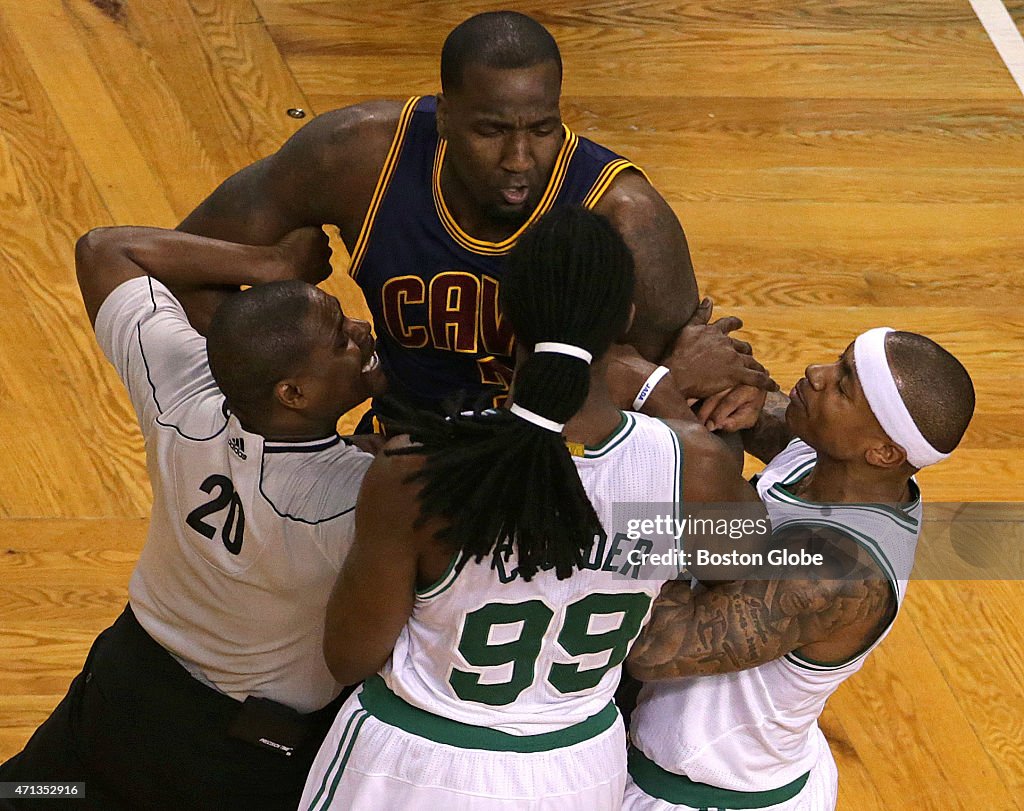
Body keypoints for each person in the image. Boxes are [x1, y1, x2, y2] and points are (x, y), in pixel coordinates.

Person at [298, 207, 764, 810]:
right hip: (574, 767)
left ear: (504, 316)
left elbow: (349, 656)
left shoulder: (419, 466)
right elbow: (738, 564)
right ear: (624, 319)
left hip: (413, 762)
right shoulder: (691, 466)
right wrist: (665, 394)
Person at [177, 11, 771, 430]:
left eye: (541, 129)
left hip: (549, 471)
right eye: (491, 130)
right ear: (443, 114)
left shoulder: (627, 218)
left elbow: (693, 412)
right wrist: (285, 371)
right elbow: (176, 266)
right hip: (398, 456)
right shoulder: (355, 157)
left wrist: (697, 387)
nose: (518, 160)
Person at [0, 225, 385, 810]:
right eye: (341, 340)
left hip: (121, 688)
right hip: (231, 760)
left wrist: (273, 261)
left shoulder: (179, 390)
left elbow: (105, 251)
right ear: (293, 392)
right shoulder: (350, 500)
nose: (361, 332)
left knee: (32, 795)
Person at [605, 329, 974, 810]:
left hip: (707, 795)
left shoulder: (836, 570)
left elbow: (655, 648)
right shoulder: (831, 460)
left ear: (883, 452)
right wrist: (729, 384)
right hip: (683, 761)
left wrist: (659, 428)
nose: (816, 374)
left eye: (843, 386)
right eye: (838, 363)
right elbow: (760, 406)